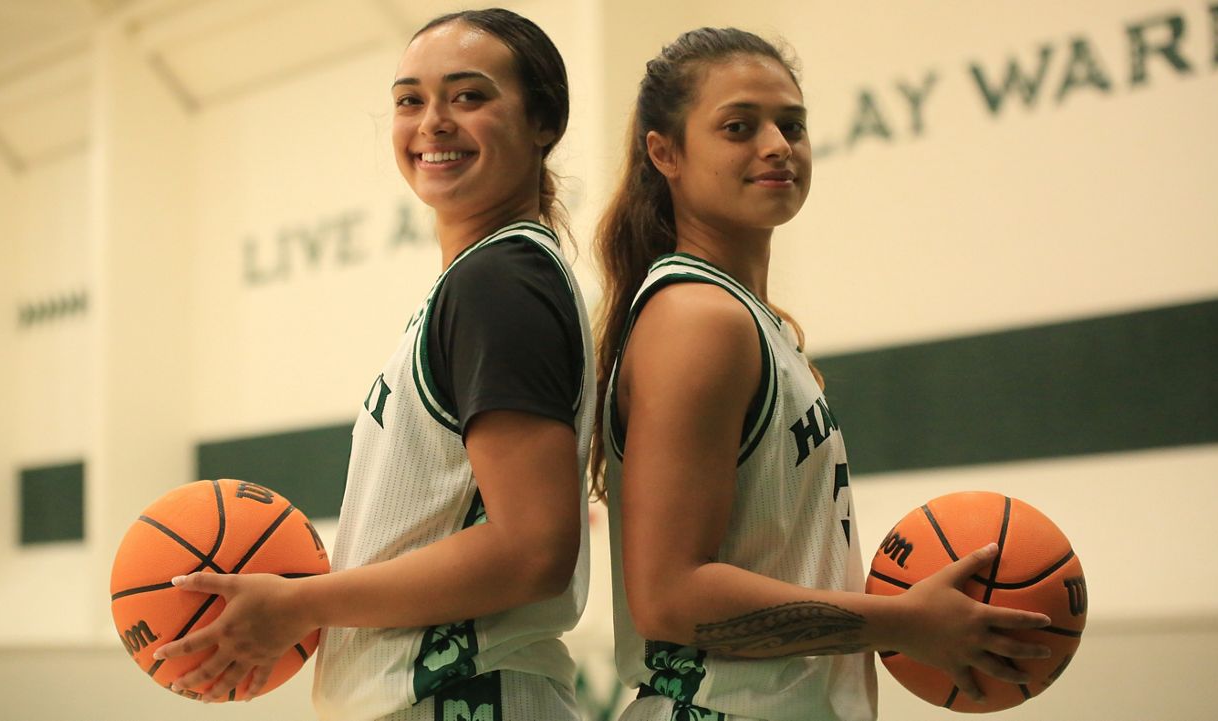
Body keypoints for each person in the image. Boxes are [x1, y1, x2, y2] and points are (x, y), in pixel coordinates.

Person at [592, 27, 1051, 721]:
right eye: (740, 127)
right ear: (666, 153)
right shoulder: (698, 320)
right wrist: (898, 619)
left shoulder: (751, 321)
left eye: (793, 124)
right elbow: (669, 595)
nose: (778, 144)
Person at [154, 9, 595, 721]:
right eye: (409, 100)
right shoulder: (483, 280)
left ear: (544, 119)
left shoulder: (501, 280)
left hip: (467, 695)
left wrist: (299, 601)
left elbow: (532, 548)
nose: (433, 122)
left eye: (469, 96)